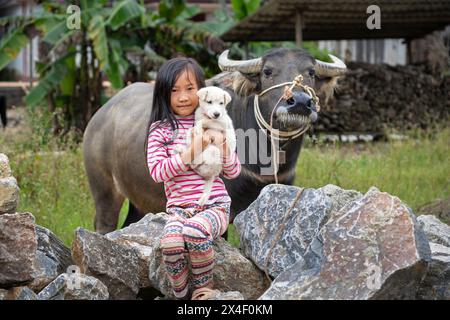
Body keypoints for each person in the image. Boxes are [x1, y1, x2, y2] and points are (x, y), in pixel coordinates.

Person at [146, 57, 241, 300]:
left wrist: (223, 147)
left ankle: (204, 288)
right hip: (179, 209)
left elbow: (233, 172)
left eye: (190, 89)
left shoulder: (215, 122)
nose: (183, 97)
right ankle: (180, 293)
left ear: (202, 90)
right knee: (171, 243)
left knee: (196, 232)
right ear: (163, 94)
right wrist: (192, 151)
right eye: (174, 90)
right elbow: (158, 172)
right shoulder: (161, 130)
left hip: (214, 205)